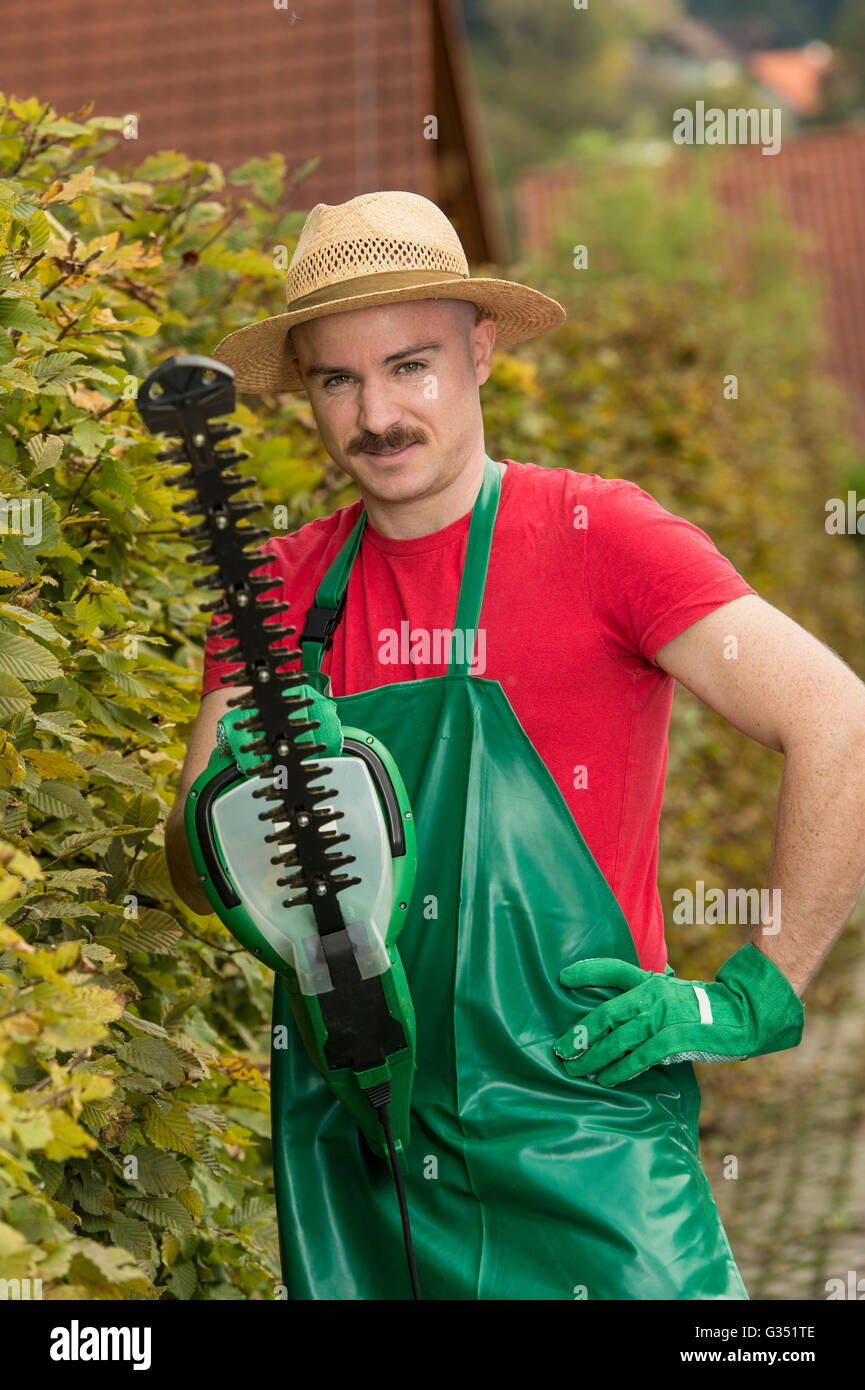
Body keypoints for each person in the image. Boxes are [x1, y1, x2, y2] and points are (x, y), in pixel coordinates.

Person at [164, 190, 865, 1300]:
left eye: (410, 366)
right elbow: (197, 882)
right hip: (360, 1151)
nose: (376, 415)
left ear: (480, 350)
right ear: (304, 389)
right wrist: (233, 806)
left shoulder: (602, 537)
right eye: (337, 380)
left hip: (584, 1132)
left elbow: (837, 720)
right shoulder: (279, 593)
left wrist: (756, 991)